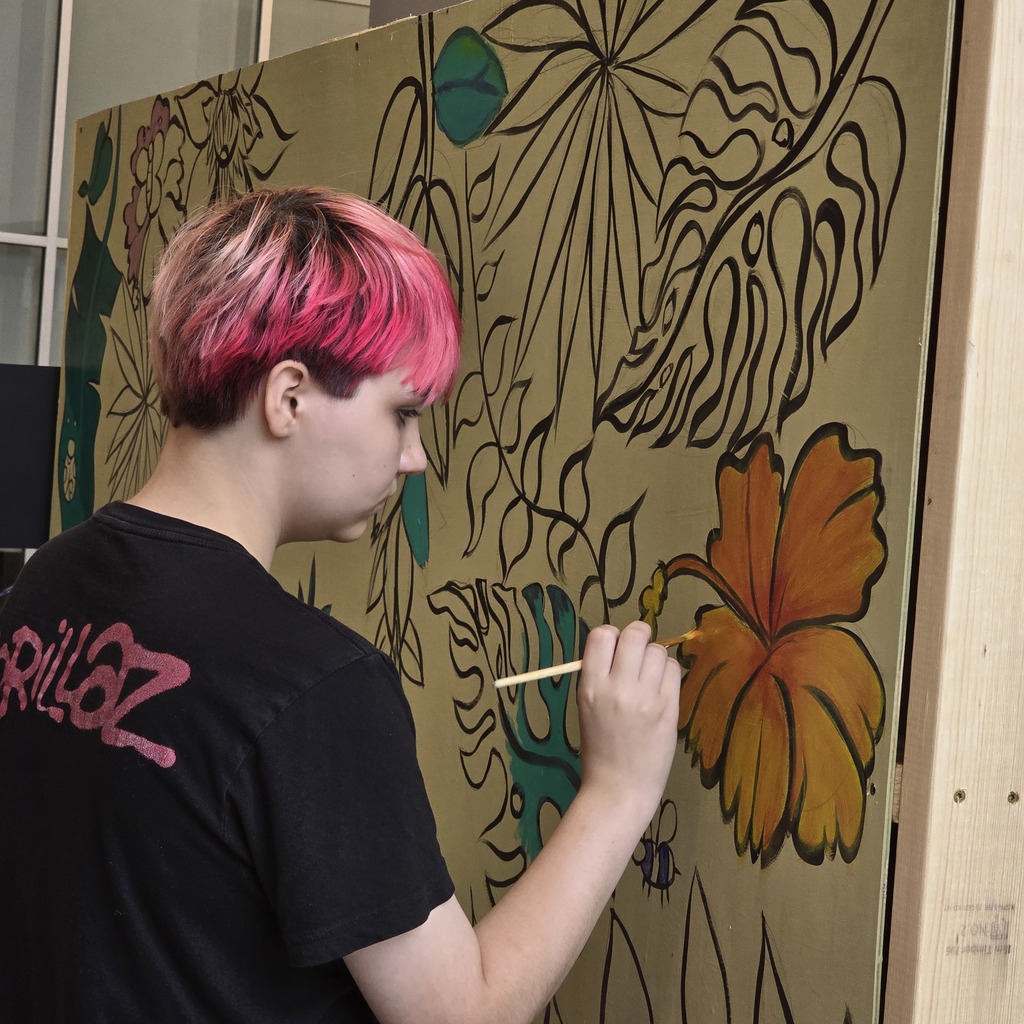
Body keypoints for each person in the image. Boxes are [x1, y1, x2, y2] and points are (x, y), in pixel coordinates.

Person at [0, 186, 681, 1023]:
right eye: (401, 413)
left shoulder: (46, 584)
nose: (414, 458)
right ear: (289, 397)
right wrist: (618, 790)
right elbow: (457, 1014)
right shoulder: (311, 685)